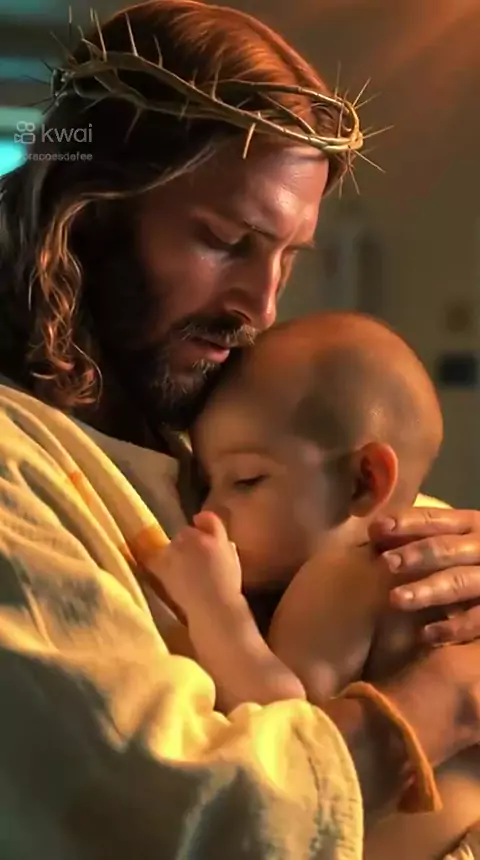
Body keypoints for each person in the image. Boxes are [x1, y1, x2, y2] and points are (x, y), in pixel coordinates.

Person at [1, 2, 480, 857]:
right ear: (91, 210)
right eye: (226, 240)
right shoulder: (17, 463)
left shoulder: (194, 414)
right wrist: (451, 697)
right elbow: (175, 812)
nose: (259, 308)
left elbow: (377, 525)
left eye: (288, 256)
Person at [153, 311, 480, 859]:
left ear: (363, 482)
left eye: (247, 480)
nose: (211, 511)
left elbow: (290, 733)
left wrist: (216, 609)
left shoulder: (342, 575)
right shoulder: (437, 550)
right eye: (207, 485)